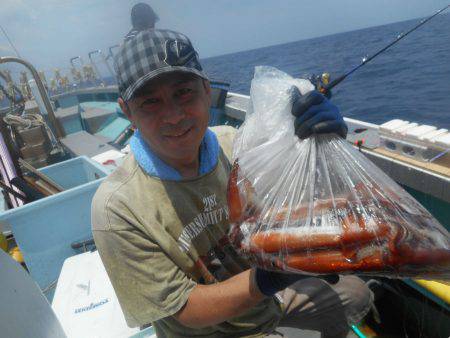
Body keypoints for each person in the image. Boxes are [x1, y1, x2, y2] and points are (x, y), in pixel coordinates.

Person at [92, 27, 373, 338]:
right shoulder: (117, 208)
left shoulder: (235, 146)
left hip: (268, 300)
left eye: (183, 92)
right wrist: (270, 278)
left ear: (206, 89)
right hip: (209, 330)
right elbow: (187, 310)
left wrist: (320, 142)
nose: (173, 116)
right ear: (127, 111)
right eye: (150, 102)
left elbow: (302, 200)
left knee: (357, 294)